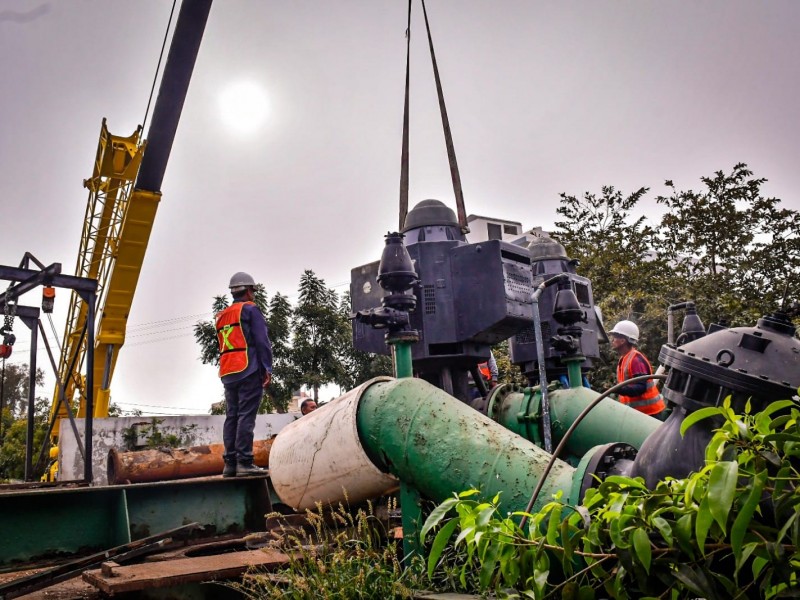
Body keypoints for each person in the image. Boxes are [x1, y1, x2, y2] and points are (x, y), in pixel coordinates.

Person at [215, 272, 273, 477]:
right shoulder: (250, 310)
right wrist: (267, 368)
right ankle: (245, 462)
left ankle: (230, 464)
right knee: (246, 415)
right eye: (253, 291)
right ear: (248, 291)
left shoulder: (221, 315)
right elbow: (262, 341)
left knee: (232, 416)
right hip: (248, 368)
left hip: (228, 370)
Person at [609, 320, 666, 419]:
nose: (612, 340)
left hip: (650, 413)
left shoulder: (635, 360)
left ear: (623, 341)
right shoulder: (624, 358)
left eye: (615, 337)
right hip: (637, 414)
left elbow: (641, 387)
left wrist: (619, 389)